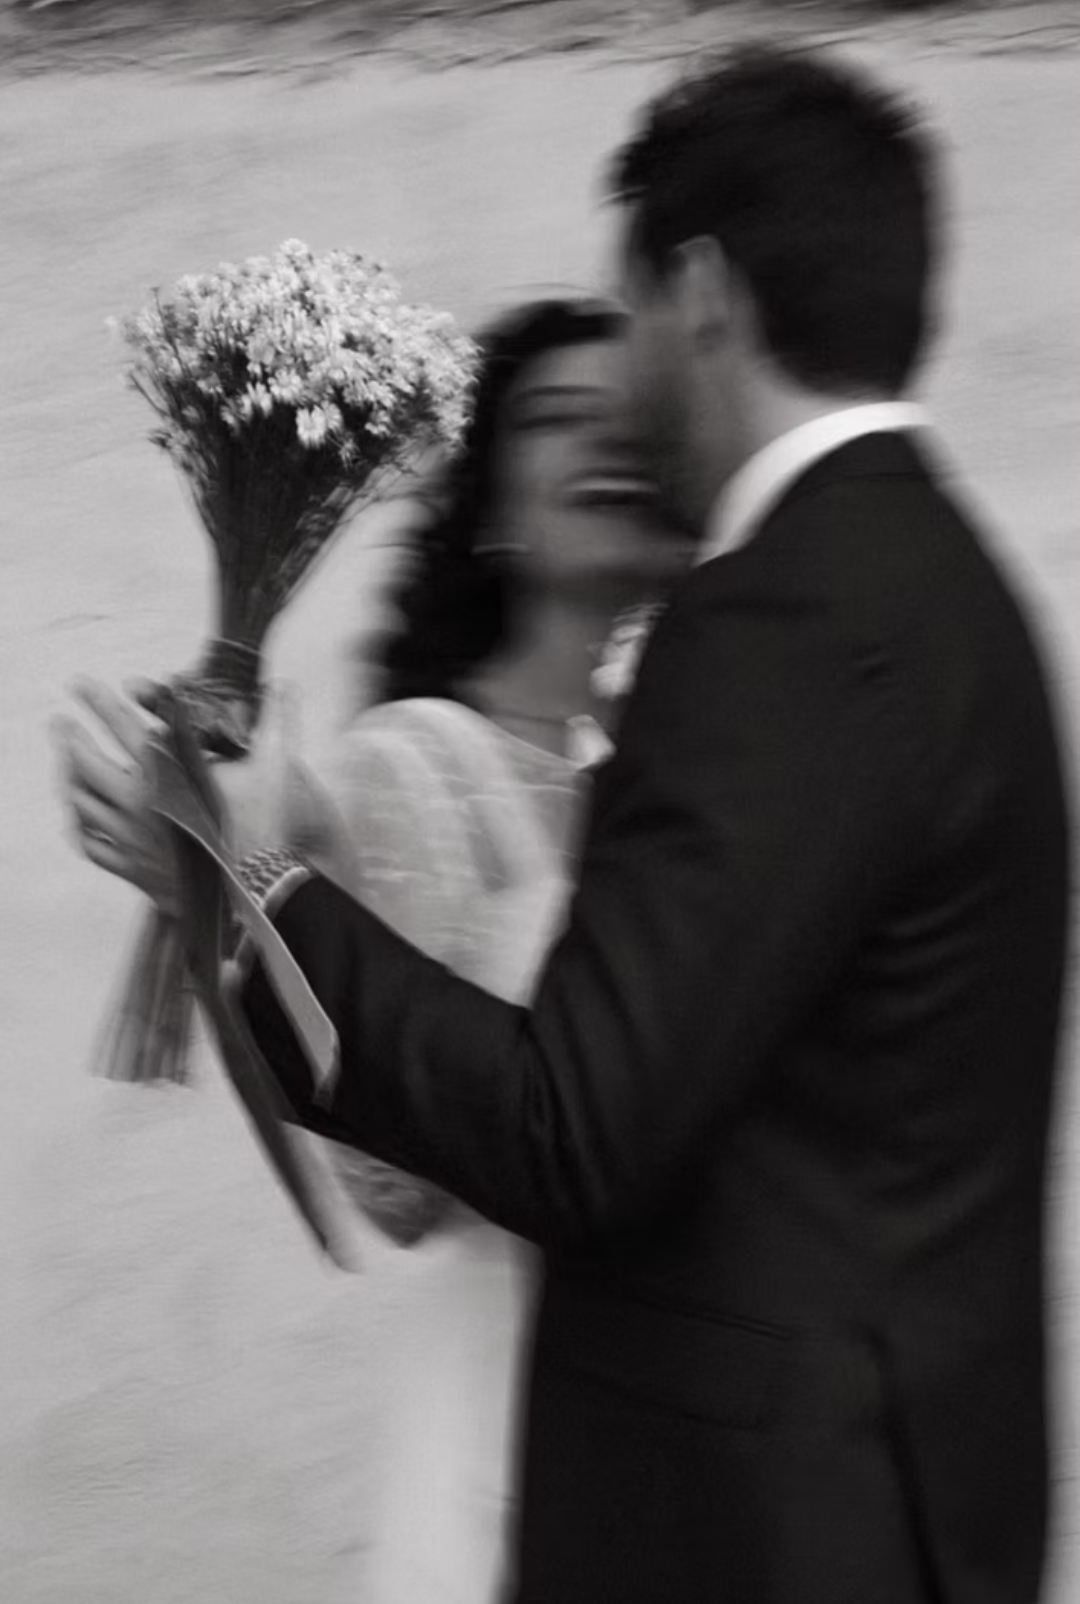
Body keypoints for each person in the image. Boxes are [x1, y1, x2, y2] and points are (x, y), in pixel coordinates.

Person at [59, 46, 1071, 1604]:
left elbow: (574, 1129)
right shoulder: (946, 587)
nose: (623, 385)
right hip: (891, 1488)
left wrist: (253, 872)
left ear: (704, 293)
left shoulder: (786, 617)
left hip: (763, 1531)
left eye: (631, 307)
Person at [56, 296, 689, 1604]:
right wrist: (223, 873)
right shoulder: (420, 765)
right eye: (561, 417)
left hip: (694, 1405)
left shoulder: (692, 765)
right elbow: (394, 1189)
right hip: (516, 1400)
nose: (609, 443)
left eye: (635, 419)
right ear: (494, 509)